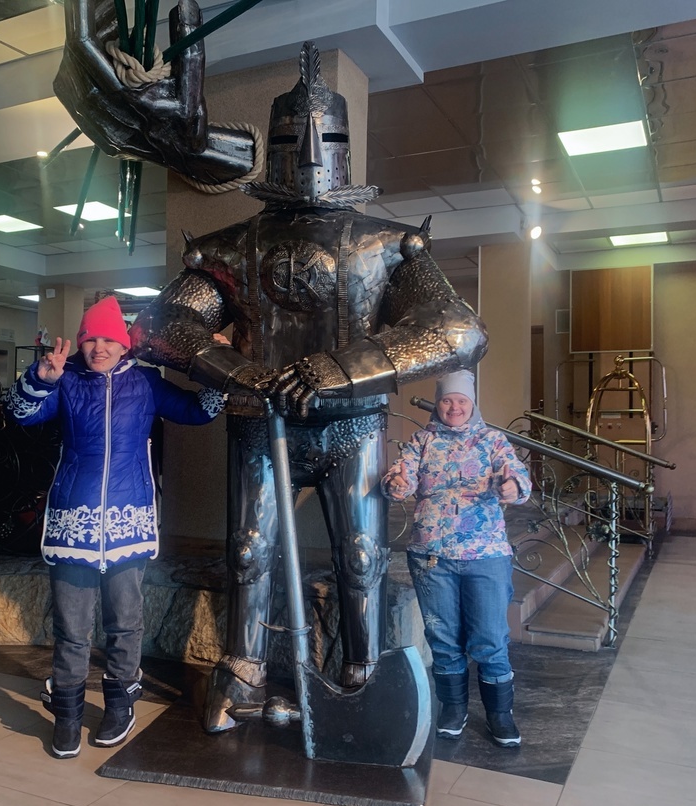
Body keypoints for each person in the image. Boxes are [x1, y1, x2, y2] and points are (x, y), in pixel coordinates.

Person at [55, 0, 488, 733]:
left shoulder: (387, 245)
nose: (312, 152)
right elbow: (165, 323)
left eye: (327, 137)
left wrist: (344, 368)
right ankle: (244, 669)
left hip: (352, 423)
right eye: (294, 137)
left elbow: (457, 329)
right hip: (261, 420)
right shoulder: (232, 246)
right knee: (249, 552)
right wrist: (238, 371)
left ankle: (361, 673)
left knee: (360, 555)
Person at [2, 296, 224, 759]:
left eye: (108, 339)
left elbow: (199, 410)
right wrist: (40, 379)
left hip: (128, 520)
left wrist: (217, 366)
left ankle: (120, 706)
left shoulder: (146, 383)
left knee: (124, 623)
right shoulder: (66, 381)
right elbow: (21, 413)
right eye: (90, 340)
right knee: (71, 627)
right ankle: (67, 715)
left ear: (124, 345)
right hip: (73, 523)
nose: (98, 348)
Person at [381, 370, 531, 747]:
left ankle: (500, 713)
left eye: (461, 400)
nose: (454, 407)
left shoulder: (492, 440)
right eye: (447, 400)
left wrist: (512, 486)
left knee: (490, 637)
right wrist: (396, 484)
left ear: (472, 404)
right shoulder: (422, 440)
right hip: (432, 556)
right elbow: (400, 476)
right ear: (438, 403)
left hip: (485, 555)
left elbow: (516, 473)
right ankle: (453, 707)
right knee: (443, 638)